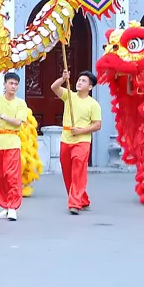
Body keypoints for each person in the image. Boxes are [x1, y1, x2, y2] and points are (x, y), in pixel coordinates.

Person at [51, 68, 101, 214]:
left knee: (78, 173)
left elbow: (97, 125)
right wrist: (63, 78)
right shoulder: (69, 96)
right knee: (67, 173)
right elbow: (54, 88)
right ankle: (82, 199)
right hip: (66, 139)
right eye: (79, 80)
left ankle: (74, 203)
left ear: (90, 87)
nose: (79, 82)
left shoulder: (93, 104)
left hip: (82, 141)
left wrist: (81, 131)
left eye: (83, 81)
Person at [0, 72, 30, 220]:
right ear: (4, 84)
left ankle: (13, 206)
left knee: (11, 175)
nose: (13, 86)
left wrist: (3, 116)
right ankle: (5, 205)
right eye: (10, 83)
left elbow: (18, 122)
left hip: (12, 141)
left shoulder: (20, 103)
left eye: (15, 84)